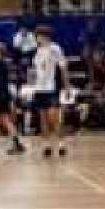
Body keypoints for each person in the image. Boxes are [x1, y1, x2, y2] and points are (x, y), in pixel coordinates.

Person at [29, 25, 68, 157]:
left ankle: (61, 143)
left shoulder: (55, 48)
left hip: (51, 87)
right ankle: (47, 145)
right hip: (39, 88)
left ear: (44, 36)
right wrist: (32, 82)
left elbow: (63, 66)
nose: (36, 38)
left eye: (37, 36)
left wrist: (67, 86)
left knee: (53, 117)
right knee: (43, 118)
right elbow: (36, 70)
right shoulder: (37, 51)